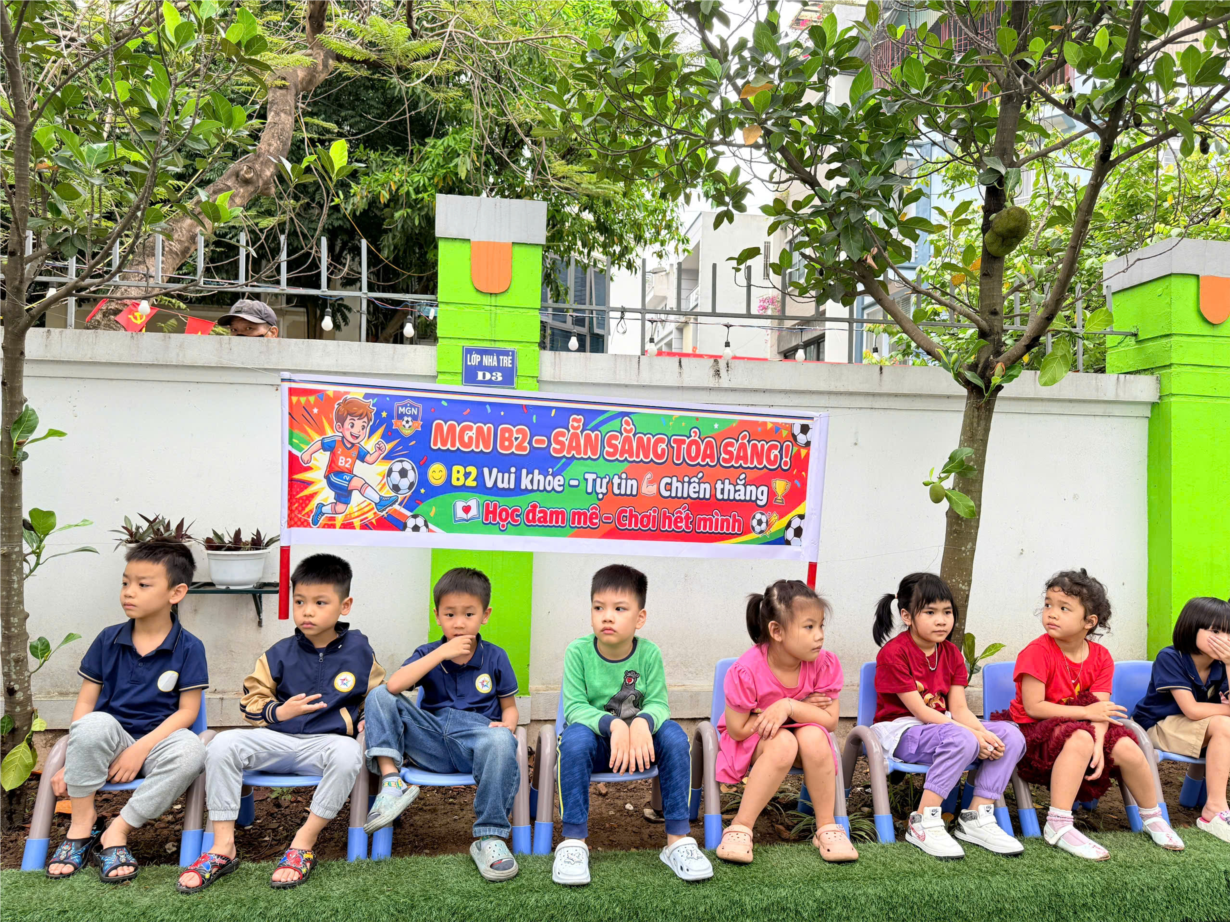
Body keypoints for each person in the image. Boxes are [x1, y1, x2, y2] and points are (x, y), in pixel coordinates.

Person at [176, 554, 384, 891]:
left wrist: (368, 719)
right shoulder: (279, 653)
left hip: (327, 743)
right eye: (299, 601)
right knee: (223, 744)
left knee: (349, 754)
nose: (307, 611)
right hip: (277, 739)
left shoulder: (360, 651)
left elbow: (377, 694)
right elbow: (250, 700)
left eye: (320, 602)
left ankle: (303, 842)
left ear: (344, 606)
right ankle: (222, 846)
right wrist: (279, 712)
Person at [992, 569, 1184, 859]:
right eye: (1048, 604)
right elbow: (1034, 707)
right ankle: (1058, 823)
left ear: (1089, 622)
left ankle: (1152, 817)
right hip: (1034, 730)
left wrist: (1100, 743)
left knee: (1127, 746)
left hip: (1084, 726)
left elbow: (1101, 710)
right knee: (1081, 736)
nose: (1051, 613)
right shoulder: (1036, 652)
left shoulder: (1101, 657)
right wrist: (1085, 716)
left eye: (1064, 608)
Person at [46, 540, 208, 882]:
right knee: (93, 724)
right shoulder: (107, 639)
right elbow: (86, 704)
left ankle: (116, 832)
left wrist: (140, 749)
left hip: (156, 744)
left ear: (176, 593)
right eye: (125, 582)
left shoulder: (190, 647)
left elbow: (187, 713)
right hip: (109, 742)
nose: (128, 592)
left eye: (143, 584)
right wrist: (73, 759)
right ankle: (82, 826)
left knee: (192, 750)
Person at [552, 565, 712, 886]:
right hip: (599, 744)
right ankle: (573, 843)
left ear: (640, 618)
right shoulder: (577, 652)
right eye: (599, 608)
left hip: (641, 745)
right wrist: (613, 725)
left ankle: (677, 841)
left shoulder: (649, 653)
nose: (607, 617)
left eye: (619, 609)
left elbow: (659, 704)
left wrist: (641, 722)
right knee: (574, 739)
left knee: (673, 736)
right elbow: (574, 707)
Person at [362, 567, 523, 882]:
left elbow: (510, 708)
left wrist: (507, 727)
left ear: (485, 615)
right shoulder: (427, 653)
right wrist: (441, 653)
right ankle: (392, 785)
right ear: (437, 616)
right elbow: (394, 686)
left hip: (476, 741)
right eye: (450, 614)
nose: (459, 622)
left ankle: (489, 838)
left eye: (468, 614)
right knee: (379, 695)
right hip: (430, 739)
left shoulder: (495, 657)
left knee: (503, 740)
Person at [870, 573, 1025, 859]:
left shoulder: (951, 653)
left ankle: (976, 817)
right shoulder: (894, 654)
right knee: (963, 737)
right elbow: (920, 711)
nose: (941, 620)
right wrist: (973, 735)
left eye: (947, 612)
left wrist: (983, 734)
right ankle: (924, 821)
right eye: (930, 612)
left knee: (1011, 736)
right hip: (903, 731)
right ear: (907, 616)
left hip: (945, 727)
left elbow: (960, 709)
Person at [715, 579, 858, 865]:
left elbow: (830, 721)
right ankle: (741, 826)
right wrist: (797, 711)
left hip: (801, 734)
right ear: (777, 631)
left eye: (821, 626)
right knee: (783, 743)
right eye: (809, 627)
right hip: (754, 739)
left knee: (815, 737)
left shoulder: (824, 664)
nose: (819, 636)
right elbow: (738, 729)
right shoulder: (746, 670)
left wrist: (788, 706)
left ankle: (827, 826)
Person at [1131, 596, 1230, 842]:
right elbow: (1192, 710)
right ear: (1191, 626)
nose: (1224, 639)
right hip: (1155, 727)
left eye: (1229, 633)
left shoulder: (1221, 665)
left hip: (1196, 728)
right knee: (1223, 724)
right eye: (1215, 631)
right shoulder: (1171, 657)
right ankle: (1214, 809)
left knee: (1223, 724)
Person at [300, 396, 398, 526]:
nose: (358, 431)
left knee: (340, 508)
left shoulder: (357, 449)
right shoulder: (336, 441)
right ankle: (379, 501)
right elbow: (320, 443)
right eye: (352, 425)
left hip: (346, 480)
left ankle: (321, 509)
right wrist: (308, 453)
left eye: (363, 427)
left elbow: (369, 459)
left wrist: (378, 452)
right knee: (358, 482)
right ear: (339, 427)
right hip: (334, 477)